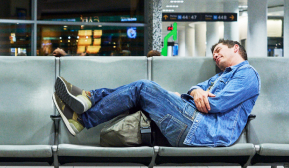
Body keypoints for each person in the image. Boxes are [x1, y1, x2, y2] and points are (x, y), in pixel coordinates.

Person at [52, 39, 260, 147]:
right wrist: (197, 91)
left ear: (235, 48)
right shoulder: (221, 76)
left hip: (203, 130)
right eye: (213, 53)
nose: (215, 55)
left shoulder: (247, 74)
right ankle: (87, 101)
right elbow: (195, 88)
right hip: (193, 122)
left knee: (143, 87)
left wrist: (196, 95)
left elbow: (215, 104)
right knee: (139, 91)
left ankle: (86, 111)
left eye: (218, 50)